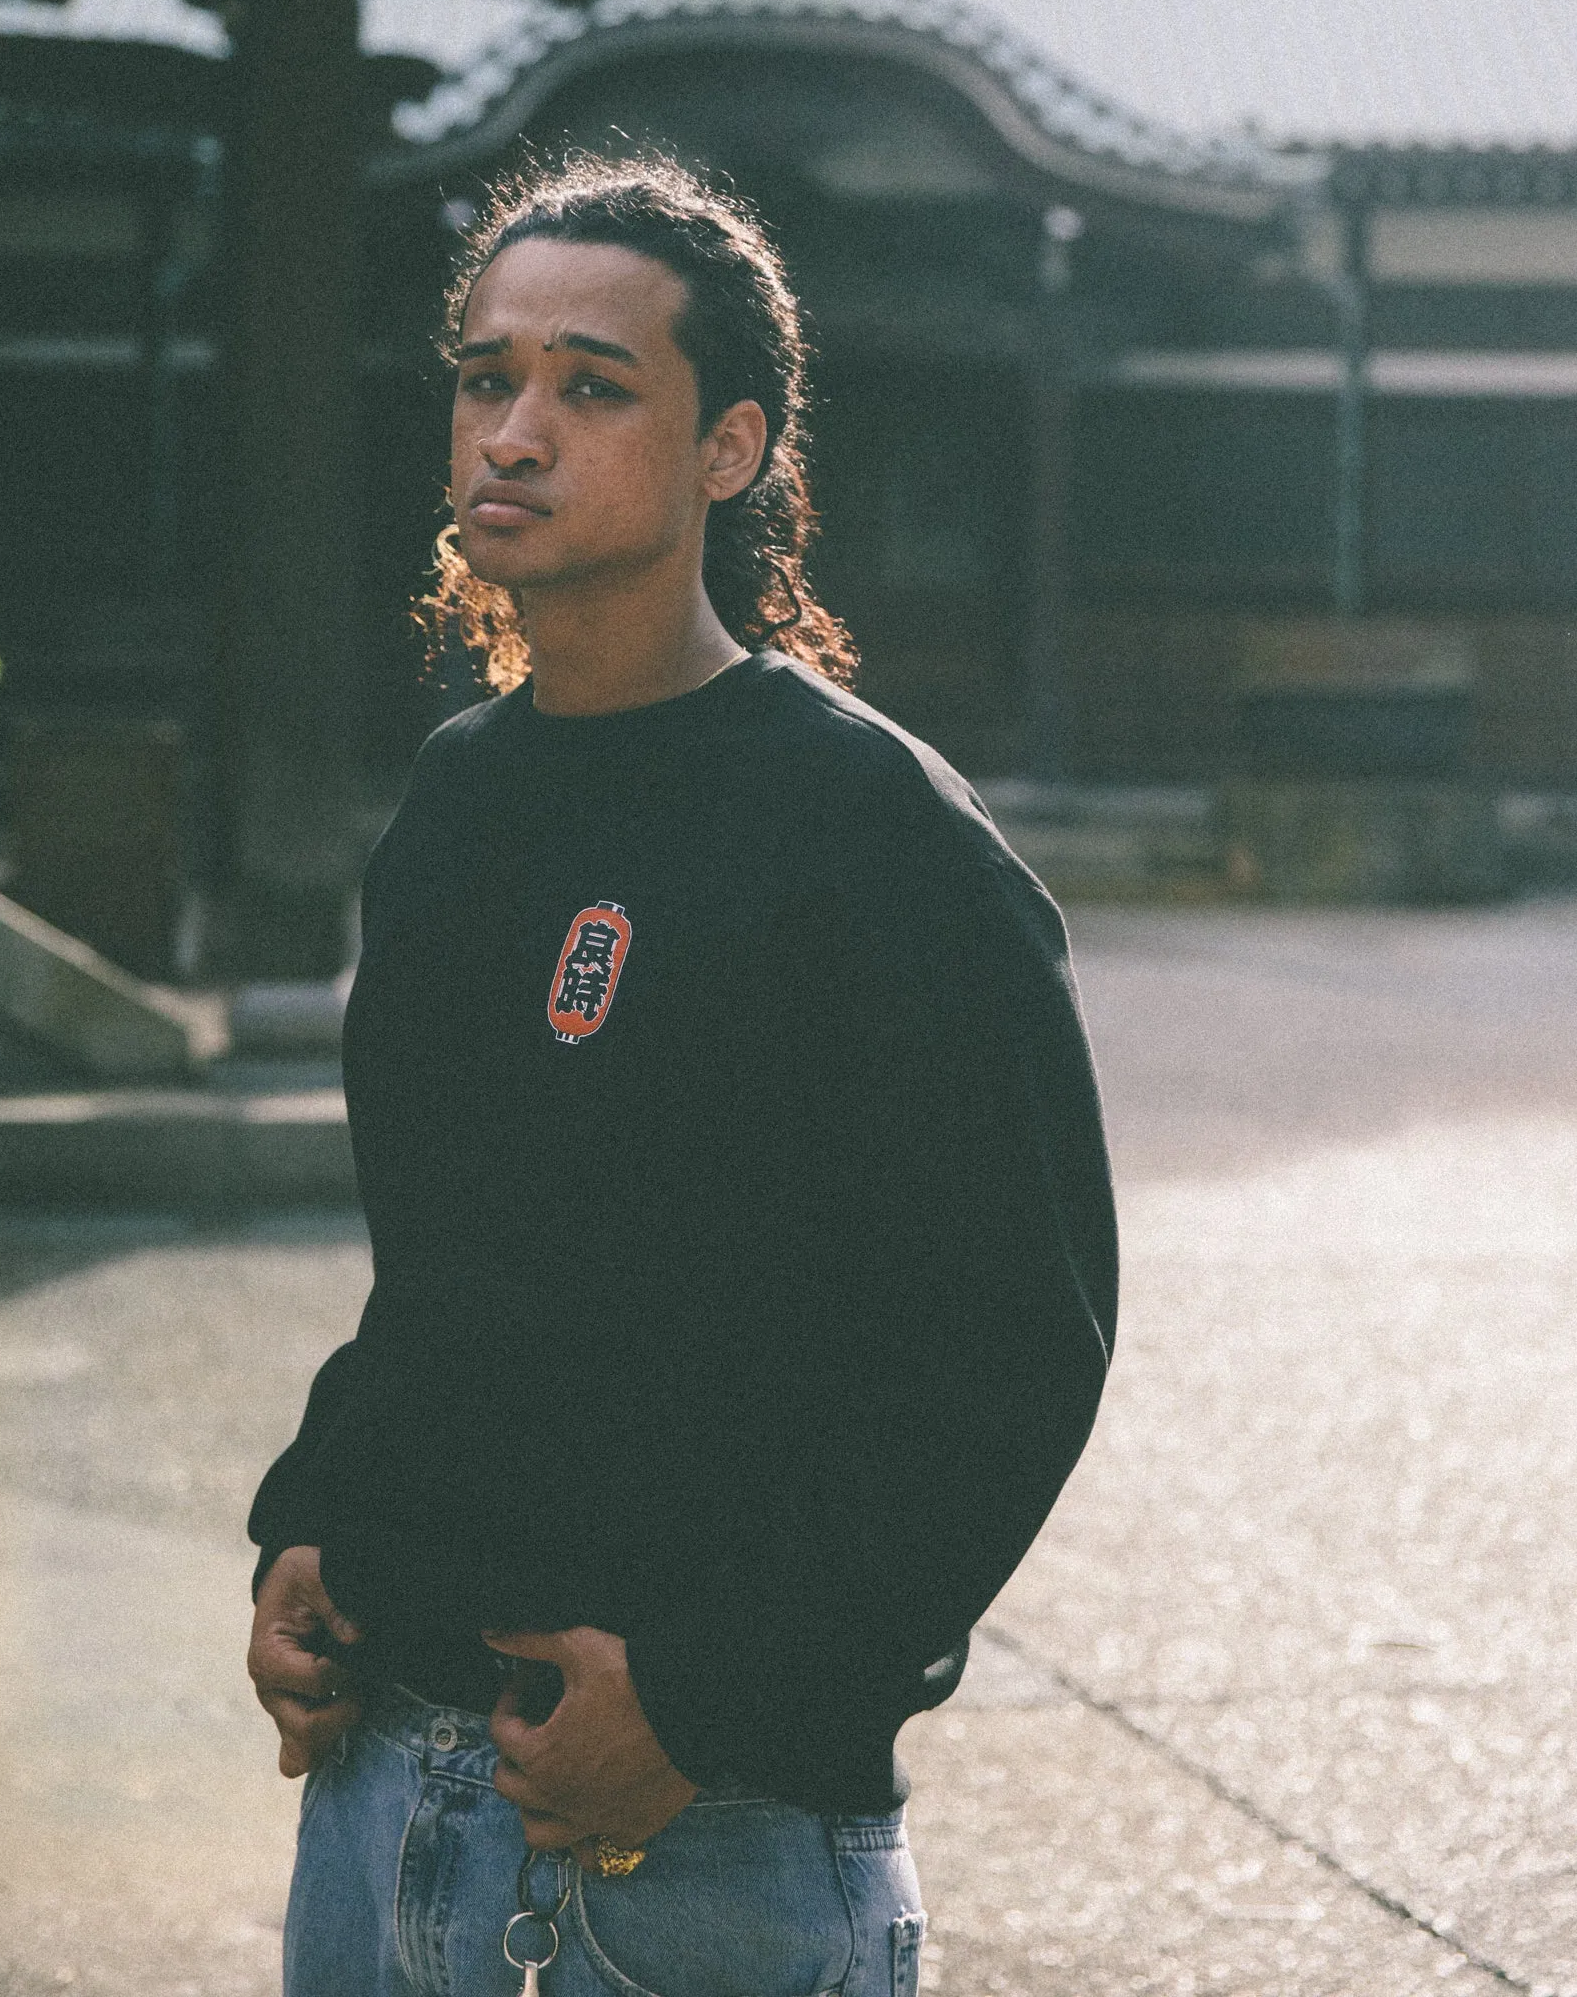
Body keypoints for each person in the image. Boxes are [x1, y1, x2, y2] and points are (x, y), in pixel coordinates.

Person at [246, 156, 1118, 1997]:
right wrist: (321, 1505)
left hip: (690, 1851)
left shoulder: (877, 837)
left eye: (592, 385)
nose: (517, 430)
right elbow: (459, 1262)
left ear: (730, 450)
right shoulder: (460, 799)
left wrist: (724, 1700)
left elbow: (1016, 1347)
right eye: (488, 379)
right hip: (378, 1796)